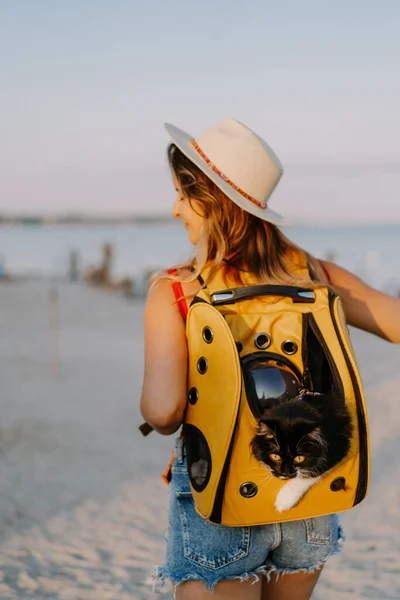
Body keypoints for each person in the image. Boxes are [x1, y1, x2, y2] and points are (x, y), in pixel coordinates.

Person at [140, 118, 400, 600]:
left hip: (220, 492)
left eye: (182, 193)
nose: (175, 208)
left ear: (213, 203)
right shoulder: (316, 275)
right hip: (310, 492)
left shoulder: (176, 291)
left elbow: (162, 411)